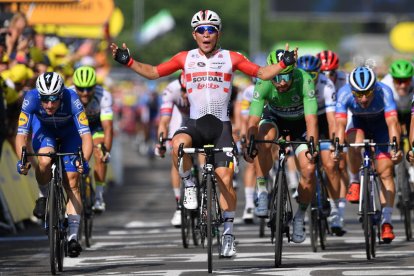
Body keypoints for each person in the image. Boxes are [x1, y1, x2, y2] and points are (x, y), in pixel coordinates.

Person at [110, 9, 296, 257]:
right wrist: (128, 62)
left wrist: (284, 63)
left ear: (218, 34)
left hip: (221, 127)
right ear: (194, 34)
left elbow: (261, 73)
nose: (206, 34)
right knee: (178, 144)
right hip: (196, 123)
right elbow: (154, 72)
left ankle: (228, 234)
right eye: (201, 30)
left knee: (226, 180)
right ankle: (188, 182)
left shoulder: (232, 57)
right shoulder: (184, 58)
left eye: (211, 30)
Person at [15, 72, 93, 257]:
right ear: (39, 95)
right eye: (45, 100)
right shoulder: (31, 98)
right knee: (44, 159)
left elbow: (86, 136)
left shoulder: (72, 98)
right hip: (45, 132)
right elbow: (21, 135)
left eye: (53, 100)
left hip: (70, 134)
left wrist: (85, 161)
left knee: (72, 180)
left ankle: (73, 237)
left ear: (61, 95)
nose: (49, 105)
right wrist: (22, 160)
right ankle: (43, 195)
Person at [245, 49, 318, 244]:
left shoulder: (304, 79)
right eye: (277, 77)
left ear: (293, 72)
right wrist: (249, 143)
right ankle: (261, 190)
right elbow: (253, 118)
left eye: (286, 77)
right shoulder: (264, 82)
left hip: (299, 124)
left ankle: (300, 216)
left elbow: (311, 120)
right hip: (274, 118)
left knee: (309, 170)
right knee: (261, 139)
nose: (282, 82)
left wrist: (312, 146)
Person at [334, 66, 402, 243]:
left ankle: (387, 221)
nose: (363, 98)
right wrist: (338, 148)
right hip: (358, 126)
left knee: (385, 172)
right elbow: (340, 125)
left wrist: (395, 146)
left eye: (368, 93)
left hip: (382, 128)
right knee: (354, 143)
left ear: (375, 87)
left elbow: (393, 122)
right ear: (352, 90)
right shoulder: (344, 93)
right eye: (359, 94)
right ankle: (355, 180)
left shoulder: (384, 92)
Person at [296, 54, 345, 235]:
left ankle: (334, 209)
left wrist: (334, 143)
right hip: (302, 118)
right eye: (304, 74)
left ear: (319, 74)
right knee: (303, 157)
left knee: (331, 164)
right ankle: (303, 183)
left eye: (313, 75)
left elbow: (333, 120)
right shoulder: (295, 83)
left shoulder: (327, 84)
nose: (309, 79)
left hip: (322, 118)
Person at [71, 65, 113, 213]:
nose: (85, 93)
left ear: (95, 86)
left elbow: (108, 127)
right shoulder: (68, 94)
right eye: (81, 89)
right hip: (75, 128)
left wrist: (106, 151)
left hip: (95, 128)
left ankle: (99, 197)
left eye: (89, 88)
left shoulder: (104, 95)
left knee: (100, 153)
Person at [317, 50, 349, 235]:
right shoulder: (316, 81)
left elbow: (343, 118)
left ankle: (339, 211)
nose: (328, 75)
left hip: (340, 117)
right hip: (321, 117)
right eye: (324, 71)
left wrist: (338, 141)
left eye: (332, 72)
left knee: (340, 164)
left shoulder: (344, 80)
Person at [155, 71, 190, 227]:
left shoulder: (204, 90)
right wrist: (161, 142)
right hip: (180, 120)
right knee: (177, 157)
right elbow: (164, 121)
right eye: (183, 90)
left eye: (188, 90)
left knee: (205, 153)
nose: (185, 94)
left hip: (201, 119)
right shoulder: (172, 89)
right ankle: (179, 206)